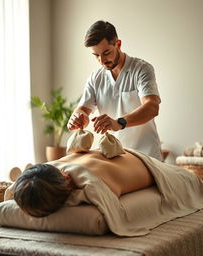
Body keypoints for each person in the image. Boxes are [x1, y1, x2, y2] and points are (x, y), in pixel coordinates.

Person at [67, 20, 162, 160]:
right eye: (96, 55)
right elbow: (83, 109)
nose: (102, 60)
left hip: (145, 156)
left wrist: (119, 123)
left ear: (118, 44)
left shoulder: (141, 69)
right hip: (112, 156)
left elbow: (152, 107)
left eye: (106, 52)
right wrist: (77, 118)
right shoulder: (96, 78)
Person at [13, 149, 155, 217]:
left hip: (141, 157)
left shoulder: (57, 174)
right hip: (144, 161)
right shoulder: (97, 184)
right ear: (66, 177)